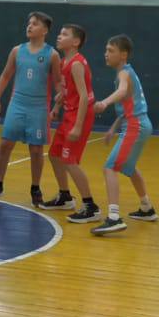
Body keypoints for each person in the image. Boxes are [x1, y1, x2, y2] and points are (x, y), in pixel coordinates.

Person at [0, 12, 61, 207]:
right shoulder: (17, 51)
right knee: (5, 144)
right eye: (29, 23)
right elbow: (5, 75)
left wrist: (58, 102)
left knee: (36, 149)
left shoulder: (52, 55)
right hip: (17, 103)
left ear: (45, 30)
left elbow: (58, 83)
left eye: (35, 24)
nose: (29, 26)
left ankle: (35, 188)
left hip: (39, 108)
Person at [90, 35, 158, 235]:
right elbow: (128, 105)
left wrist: (104, 102)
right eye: (106, 50)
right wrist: (113, 127)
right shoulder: (126, 72)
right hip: (138, 123)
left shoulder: (124, 74)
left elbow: (121, 92)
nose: (106, 54)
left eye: (110, 50)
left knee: (110, 168)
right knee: (129, 167)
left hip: (136, 126)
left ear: (123, 54)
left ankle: (114, 218)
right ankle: (146, 207)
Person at [42, 24, 99, 222]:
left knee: (69, 160)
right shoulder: (65, 62)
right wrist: (56, 107)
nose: (59, 36)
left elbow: (83, 96)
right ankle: (65, 196)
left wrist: (78, 126)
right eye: (59, 33)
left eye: (64, 34)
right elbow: (67, 90)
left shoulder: (76, 64)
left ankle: (91, 206)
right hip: (69, 114)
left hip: (79, 116)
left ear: (76, 42)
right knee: (54, 155)